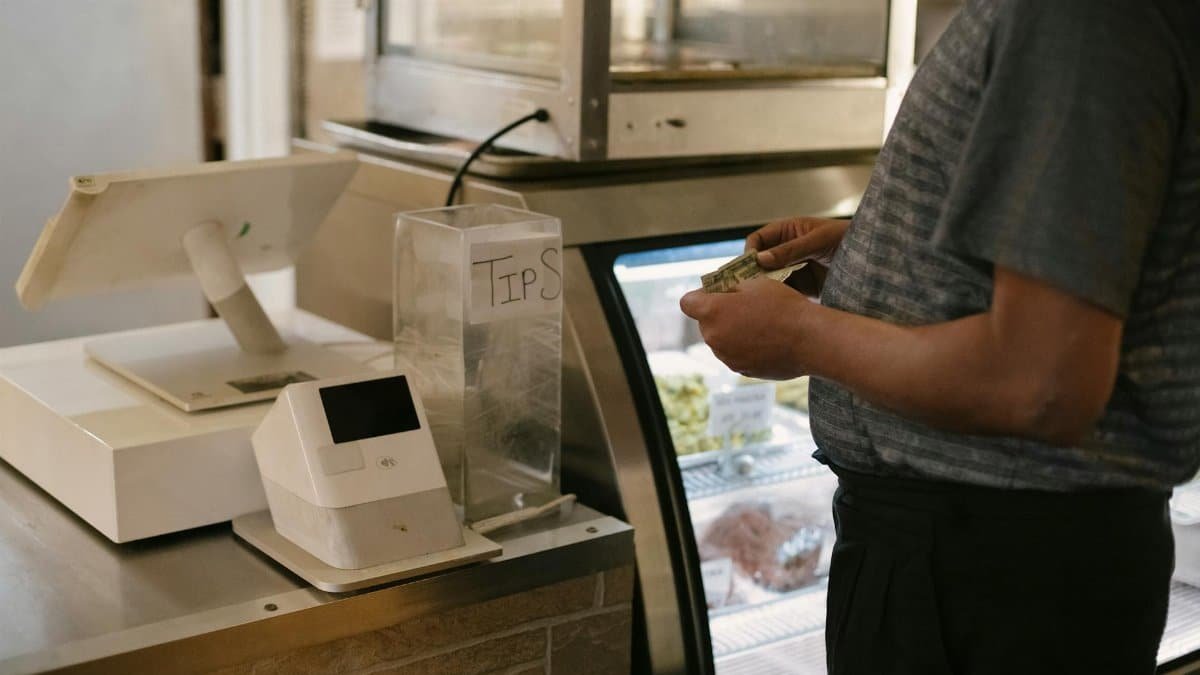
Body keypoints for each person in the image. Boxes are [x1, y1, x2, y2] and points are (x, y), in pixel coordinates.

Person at [680, 1, 1200, 673]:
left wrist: (800, 336)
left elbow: (1042, 382)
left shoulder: (1078, 18)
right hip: (996, 560)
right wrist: (882, 252)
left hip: (990, 573)